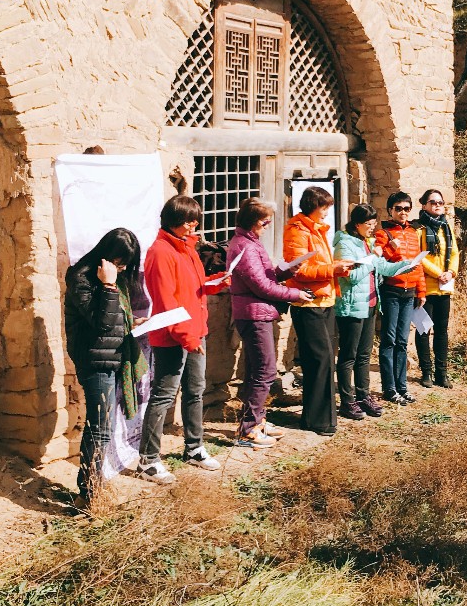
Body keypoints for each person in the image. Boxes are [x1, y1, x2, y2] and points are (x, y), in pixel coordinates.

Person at [138, 196, 227, 484]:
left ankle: (194, 447)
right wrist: (186, 337)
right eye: (189, 220)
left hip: (194, 332)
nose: (195, 224)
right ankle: (148, 460)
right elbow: (167, 302)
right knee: (164, 396)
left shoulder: (187, 248)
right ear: (174, 221)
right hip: (173, 336)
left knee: (195, 391)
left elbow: (193, 290)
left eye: (195, 219)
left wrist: (216, 283)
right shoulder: (161, 252)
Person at [64, 227, 147, 507]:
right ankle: (88, 495)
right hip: (94, 361)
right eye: (119, 263)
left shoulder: (113, 279)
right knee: (99, 428)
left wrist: (131, 323)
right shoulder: (82, 278)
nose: (122, 270)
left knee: (104, 427)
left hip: (112, 357)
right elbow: (101, 324)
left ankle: (91, 487)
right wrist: (109, 286)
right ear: (106, 256)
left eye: (126, 265)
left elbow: (112, 322)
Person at [227, 198, 313, 449]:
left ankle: (256, 420)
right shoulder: (245, 247)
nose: (267, 227)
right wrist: (294, 294)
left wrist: (286, 272)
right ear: (254, 223)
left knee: (257, 371)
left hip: (258, 313)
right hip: (254, 314)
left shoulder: (252, 243)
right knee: (265, 371)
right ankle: (248, 429)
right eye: (265, 223)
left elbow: (266, 276)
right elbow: (261, 286)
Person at [334, 204, 418, 418]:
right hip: (352, 307)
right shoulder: (345, 244)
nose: (373, 228)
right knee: (348, 356)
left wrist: (407, 265)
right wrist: (373, 258)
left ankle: (363, 396)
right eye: (369, 224)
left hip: (370, 304)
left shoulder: (367, 243)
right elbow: (351, 276)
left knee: (363, 355)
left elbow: (383, 267)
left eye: (374, 224)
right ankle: (347, 400)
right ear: (357, 224)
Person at [283, 187, 355, 436]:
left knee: (324, 361)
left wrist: (338, 269)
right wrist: (332, 270)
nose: (327, 212)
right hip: (307, 304)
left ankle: (320, 417)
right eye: (323, 207)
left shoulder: (317, 230)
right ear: (312, 205)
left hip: (324, 301)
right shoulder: (297, 231)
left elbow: (322, 266)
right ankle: (318, 419)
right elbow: (299, 271)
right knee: (320, 361)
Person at [376, 191, 426, 405]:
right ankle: (389, 388)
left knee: (403, 341)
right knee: (389, 340)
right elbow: (381, 260)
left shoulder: (414, 233)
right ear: (390, 210)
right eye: (398, 208)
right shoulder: (383, 233)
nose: (403, 212)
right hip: (392, 291)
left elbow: (418, 264)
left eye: (407, 208)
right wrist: (391, 247)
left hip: (410, 293)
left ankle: (402, 387)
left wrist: (421, 290)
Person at [416, 189, 460, 388]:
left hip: (444, 287)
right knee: (423, 330)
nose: (437, 205)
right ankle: (426, 372)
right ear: (424, 204)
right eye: (432, 202)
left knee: (442, 331)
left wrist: (451, 272)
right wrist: (437, 273)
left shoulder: (446, 228)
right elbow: (419, 256)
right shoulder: (419, 229)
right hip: (426, 288)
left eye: (440, 202)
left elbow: (456, 254)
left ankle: (442, 373)